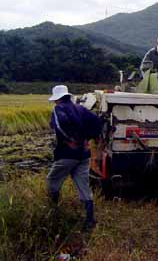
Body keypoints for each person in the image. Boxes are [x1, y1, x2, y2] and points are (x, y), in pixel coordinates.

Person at [46, 85, 103, 229]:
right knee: (83, 185)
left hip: (66, 153)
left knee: (52, 180)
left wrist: (70, 141)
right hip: (83, 155)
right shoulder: (80, 108)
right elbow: (97, 122)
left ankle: (53, 212)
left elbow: (60, 126)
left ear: (58, 99)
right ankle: (89, 220)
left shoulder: (58, 109)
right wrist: (87, 139)